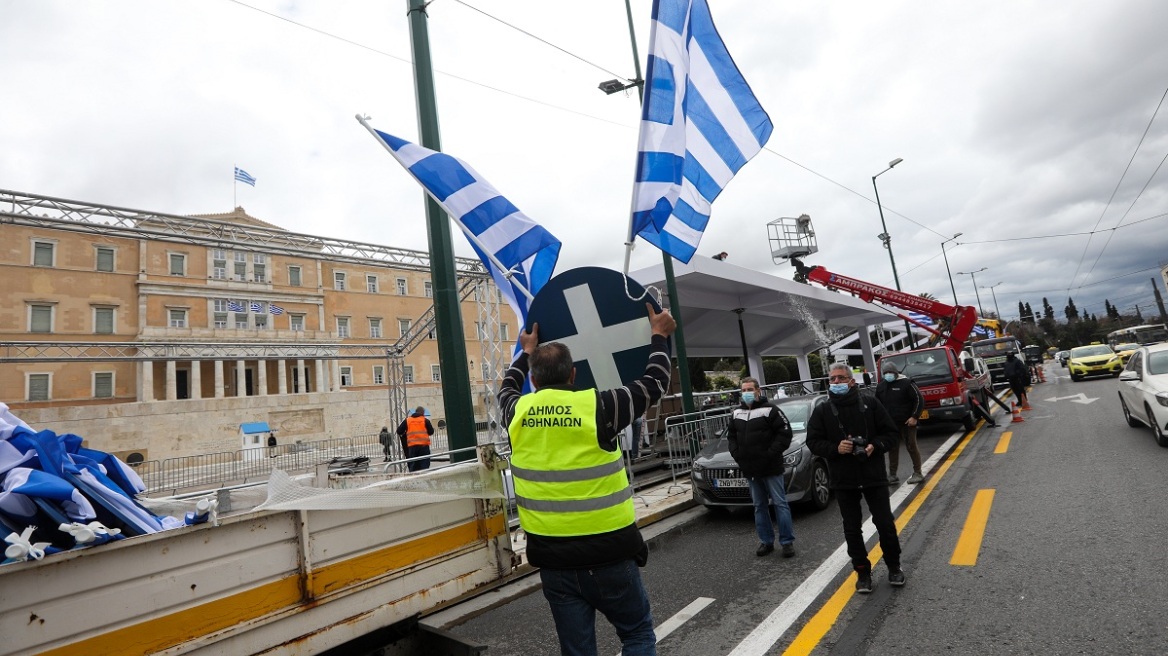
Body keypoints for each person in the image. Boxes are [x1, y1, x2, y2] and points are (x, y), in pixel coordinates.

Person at [498, 303, 676, 656]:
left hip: (554, 562)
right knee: (637, 635)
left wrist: (525, 351)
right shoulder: (601, 407)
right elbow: (654, 383)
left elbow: (506, 386)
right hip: (610, 554)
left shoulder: (516, 412)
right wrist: (659, 336)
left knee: (577, 651)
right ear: (573, 375)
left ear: (533, 379)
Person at [807, 362, 905, 593]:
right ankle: (862, 572)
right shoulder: (822, 410)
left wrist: (875, 446)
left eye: (841, 378)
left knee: (885, 524)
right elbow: (813, 442)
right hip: (843, 479)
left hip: (873, 475)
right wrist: (835, 448)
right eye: (833, 379)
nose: (837, 383)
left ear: (852, 381)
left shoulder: (870, 404)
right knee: (852, 529)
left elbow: (891, 433)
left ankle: (894, 566)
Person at [727, 377, 796, 558]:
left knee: (780, 503)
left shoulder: (771, 410)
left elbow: (785, 433)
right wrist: (737, 454)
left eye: (750, 389)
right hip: (750, 468)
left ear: (758, 390)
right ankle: (766, 541)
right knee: (759, 506)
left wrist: (770, 453)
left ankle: (787, 542)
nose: (747, 393)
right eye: (744, 390)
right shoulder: (736, 414)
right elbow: (731, 437)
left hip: (771, 466)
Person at [873, 362, 925, 485]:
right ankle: (892, 475)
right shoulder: (881, 387)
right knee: (892, 448)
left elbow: (919, 399)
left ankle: (918, 472)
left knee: (911, 446)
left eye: (890, 373)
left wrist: (914, 416)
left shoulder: (907, 383)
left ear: (896, 373)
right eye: (885, 373)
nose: (888, 375)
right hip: (891, 424)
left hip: (907, 422)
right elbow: (877, 405)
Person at [395, 406, 434, 472]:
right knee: (424, 466)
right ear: (423, 413)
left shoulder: (408, 420)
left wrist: (406, 435)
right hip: (424, 447)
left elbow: (399, 431)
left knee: (413, 466)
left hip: (412, 447)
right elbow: (431, 432)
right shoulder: (425, 420)